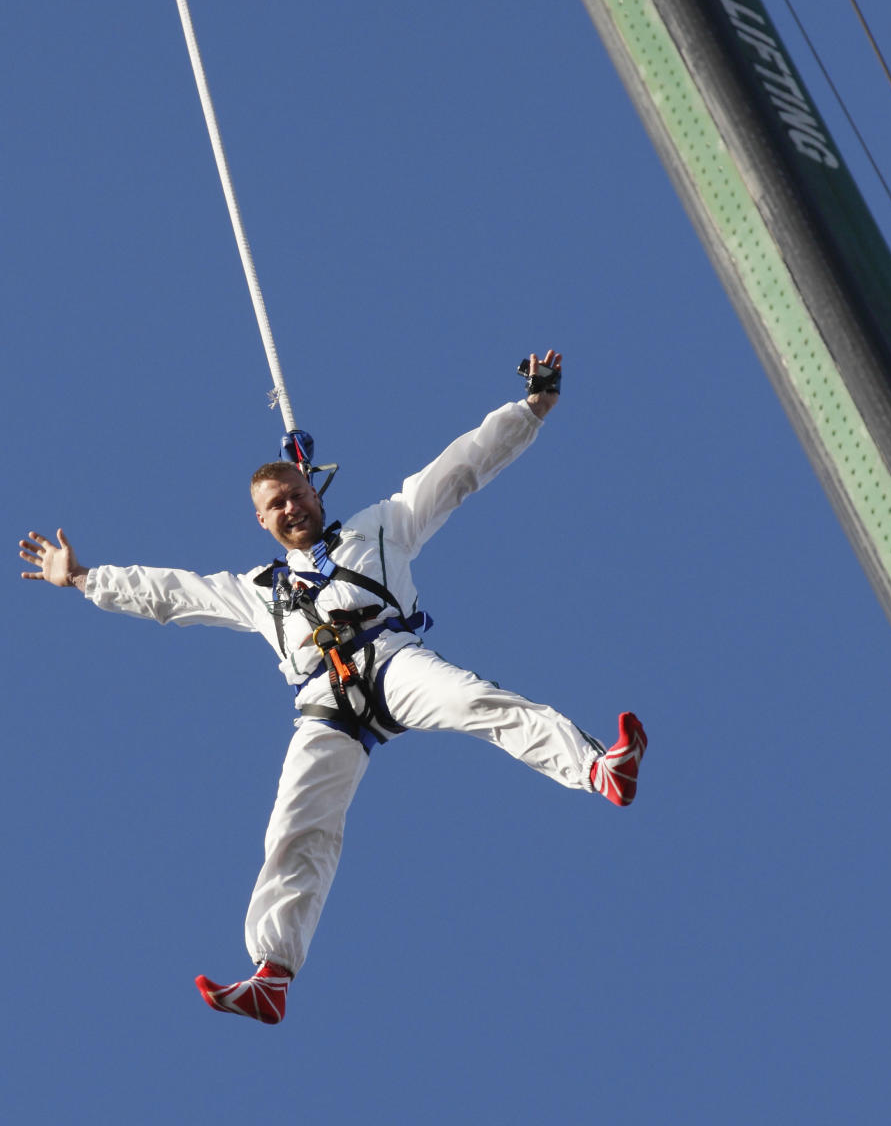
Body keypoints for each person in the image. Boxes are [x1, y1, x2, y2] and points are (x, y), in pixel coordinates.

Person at [19, 350, 646, 1025]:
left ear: (317, 492)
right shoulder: (258, 591)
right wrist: (85, 579)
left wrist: (531, 408)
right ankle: (273, 972)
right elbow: (173, 592)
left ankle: (596, 767)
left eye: (294, 494)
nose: (288, 507)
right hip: (326, 704)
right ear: (262, 522)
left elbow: (458, 469)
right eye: (274, 505)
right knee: (298, 822)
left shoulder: (381, 526)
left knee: (474, 702)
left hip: (389, 657)